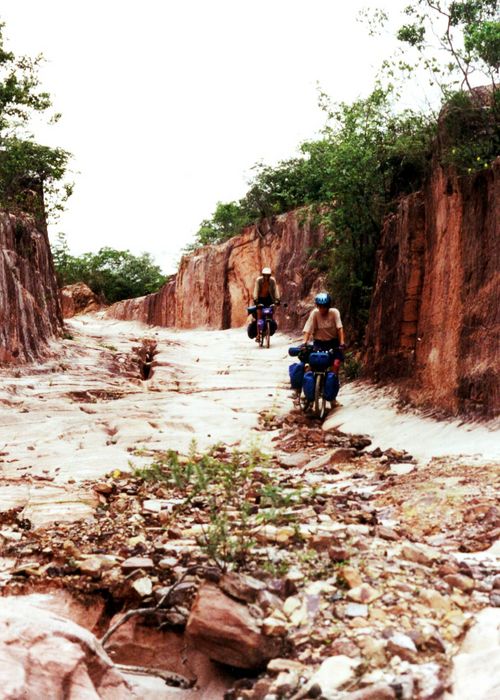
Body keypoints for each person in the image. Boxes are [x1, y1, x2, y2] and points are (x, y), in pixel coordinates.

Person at [303, 292, 345, 372]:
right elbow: (308, 328)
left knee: (335, 364)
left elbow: (340, 328)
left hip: (333, 343)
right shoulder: (315, 313)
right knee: (311, 364)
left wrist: (342, 343)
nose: (322, 309)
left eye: (324, 306)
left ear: (328, 306)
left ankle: (334, 380)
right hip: (319, 343)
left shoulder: (334, 313)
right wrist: (304, 342)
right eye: (320, 306)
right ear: (317, 306)